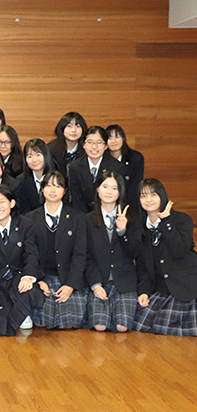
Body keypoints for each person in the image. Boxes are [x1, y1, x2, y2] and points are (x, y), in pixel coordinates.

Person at [0, 185, 42, 336]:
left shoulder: (26, 224)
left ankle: (22, 314)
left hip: (18, 277)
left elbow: (31, 254)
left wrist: (28, 277)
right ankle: (17, 315)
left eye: (2, 201)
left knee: (30, 291)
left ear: (12, 203)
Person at [134, 178, 197, 336]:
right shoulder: (140, 228)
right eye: (143, 195)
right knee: (139, 324)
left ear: (162, 196)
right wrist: (143, 292)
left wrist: (166, 222)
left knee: (164, 328)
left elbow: (179, 250)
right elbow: (142, 267)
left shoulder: (182, 220)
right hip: (160, 288)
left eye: (153, 194)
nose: (148, 199)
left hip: (184, 285)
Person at [26, 171, 88, 329]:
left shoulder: (77, 218)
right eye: (48, 185)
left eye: (58, 186)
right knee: (41, 322)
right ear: (42, 189)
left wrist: (70, 285)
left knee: (69, 322)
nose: (53, 190)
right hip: (42, 277)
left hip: (68, 277)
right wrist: (37, 279)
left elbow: (80, 255)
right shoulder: (30, 218)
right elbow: (29, 254)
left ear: (65, 191)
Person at [84, 171, 140, 333]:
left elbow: (135, 252)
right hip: (99, 281)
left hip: (124, 282)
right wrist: (95, 285)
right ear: (98, 190)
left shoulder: (132, 218)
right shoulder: (87, 220)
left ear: (120, 192)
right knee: (99, 326)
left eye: (114, 188)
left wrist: (123, 232)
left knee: (122, 327)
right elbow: (86, 256)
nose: (109, 192)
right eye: (105, 186)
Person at [68, 126, 122, 213]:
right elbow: (76, 198)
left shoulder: (116, 167)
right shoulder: (75, 167)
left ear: (105, 146)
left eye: (99, 142)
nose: (94, 147)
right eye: (90, 142)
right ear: (84, 145)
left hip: (106, 213)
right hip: (81, 214)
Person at [105, 124, 144, 209]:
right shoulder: (103, 159)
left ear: (123, 138)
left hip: (130, 203)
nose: (113, 141)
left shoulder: (136, 158)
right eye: (110, 138)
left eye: (117, 137)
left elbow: (135, 187)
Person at [15, 139, 57, 214]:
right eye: (29, 156)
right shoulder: (21, 180)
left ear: (45, 156)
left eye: (38, 155)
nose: (34, 160)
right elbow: (22, 210)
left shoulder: (57, 177)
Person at [48, 112, 87, 176]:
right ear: (62, 128)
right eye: (69, 126)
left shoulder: (87, 150)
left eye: (78, 126)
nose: (73, 130)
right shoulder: (50, 150)